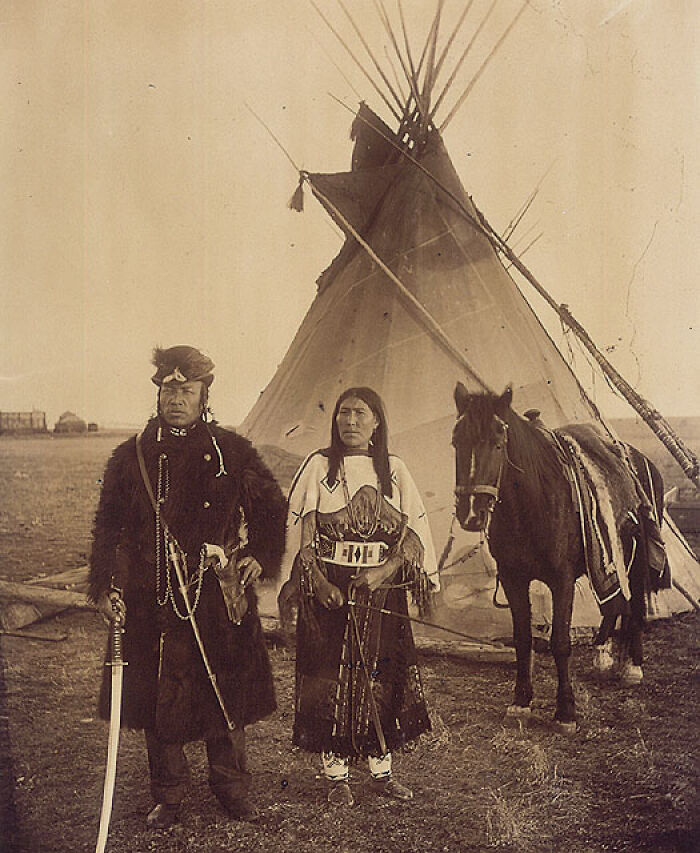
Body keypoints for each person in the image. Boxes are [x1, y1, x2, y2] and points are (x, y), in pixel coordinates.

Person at [88, 345, 286, 828]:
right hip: (149, 596)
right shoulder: (130, 457)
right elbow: (108, 526)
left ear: (204, 395)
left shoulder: (230, 452)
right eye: (169, 389)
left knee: (223, 690)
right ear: (158, 393)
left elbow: (272, 508)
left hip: (215, 594)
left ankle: (231, 786)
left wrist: (258, 555)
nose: (177, 398)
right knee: (158, 695)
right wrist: (106, 586)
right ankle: (169, 792)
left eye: (187, 390)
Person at [278, 386, 440, 806]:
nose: (350, 421)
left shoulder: (395, 470)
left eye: (360, 414)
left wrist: (383, 571)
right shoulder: (319, 467)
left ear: (376, 422)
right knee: (329, 676)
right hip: (329, 592)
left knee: (382, 674)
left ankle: (382, 773)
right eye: (343, 414)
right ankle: (336, 777)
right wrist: (321, 583)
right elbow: (303, 534)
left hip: (382, 594)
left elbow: (415, 536)